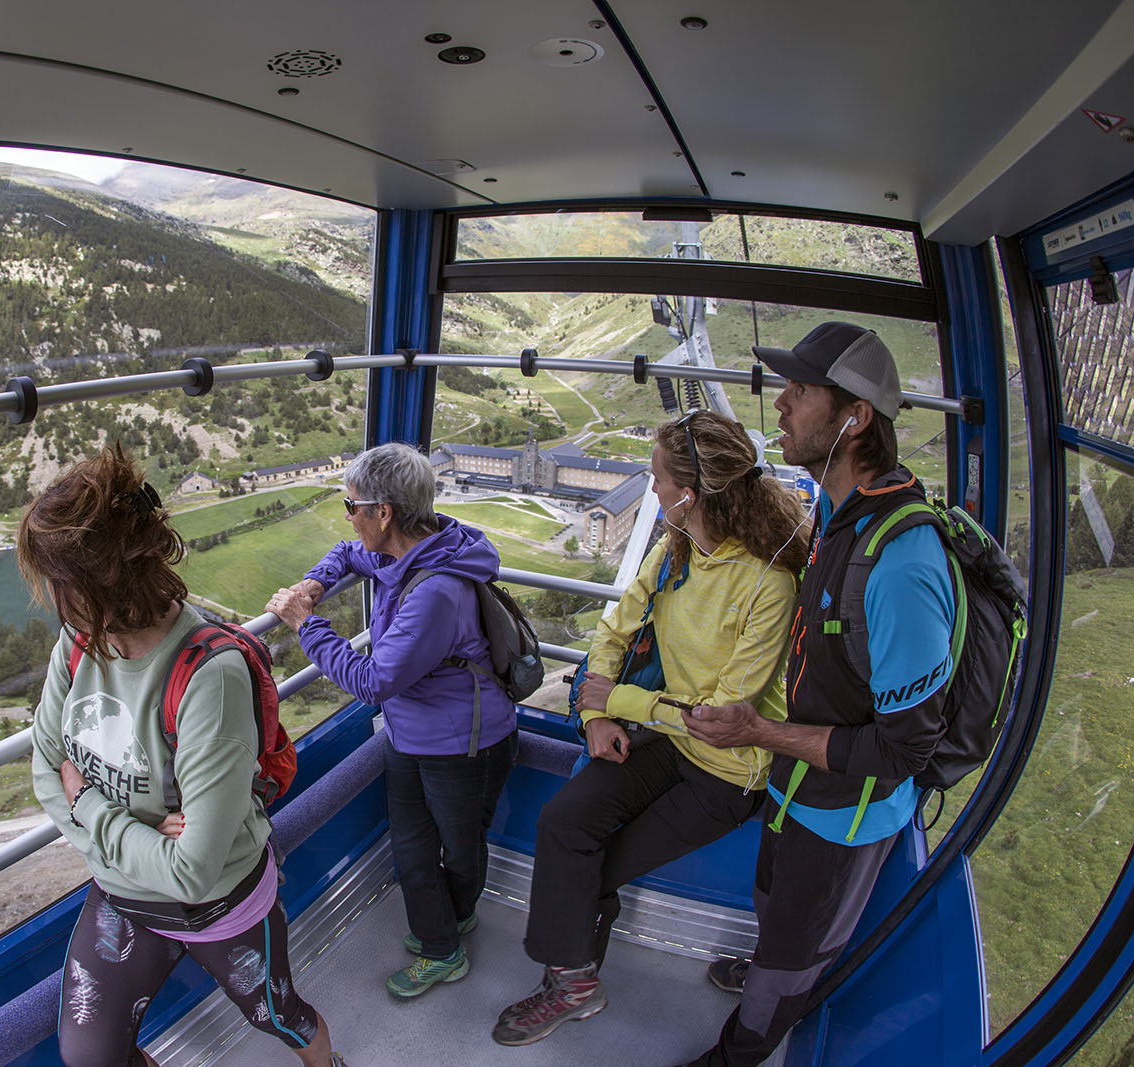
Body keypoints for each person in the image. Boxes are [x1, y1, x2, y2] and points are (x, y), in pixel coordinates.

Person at [678, 322, 956, 1067]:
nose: (783, 404)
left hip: (845, 813)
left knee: (794, 951)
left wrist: (758, 734)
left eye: (800, 391)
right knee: (774, 911)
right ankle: (770, 975)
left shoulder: (902, 563)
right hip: (798, 786)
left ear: (855, 417)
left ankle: (745, 1046)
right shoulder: (839, 512)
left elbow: (903, 748)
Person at [490, 410, 811, 1046]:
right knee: (564, 822)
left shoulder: (768, 583)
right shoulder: (678, 550)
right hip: (671, 739)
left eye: (658, 476)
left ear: (689, 493)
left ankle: (573, 982)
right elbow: (614, 632)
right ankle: (576, 978)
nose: (652, 485)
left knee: (599, 863)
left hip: (726, 771)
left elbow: (724, 719)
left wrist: (628, 704)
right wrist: (595, 712)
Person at [21, 444, 344, 1067]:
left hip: (219, 907)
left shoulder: (208, 675)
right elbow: (42, 767)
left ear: (98, 583)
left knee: (279, 1017)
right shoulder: (79, 643)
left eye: (59, 585)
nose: (52, 601)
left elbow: (193, 872)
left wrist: (88, 804)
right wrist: (144, 836)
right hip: (124, 894)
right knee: (91, 1056)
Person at [264, 442, 517, 999]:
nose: (347, 517)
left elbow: (371, 681)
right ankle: (442, 933)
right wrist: (316, 580)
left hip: (464, 744)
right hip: (412, 734)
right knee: (411, 846)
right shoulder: (405, 549)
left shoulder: (436, 591)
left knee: (462, 845)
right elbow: (348, 553)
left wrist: (307, 624)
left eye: (351, 506)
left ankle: (447, 942)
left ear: (384, 513)